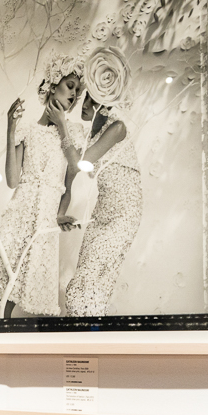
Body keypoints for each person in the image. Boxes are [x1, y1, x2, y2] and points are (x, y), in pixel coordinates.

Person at [0, 65, 78, 319]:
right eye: (70, 86)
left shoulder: (73, 135)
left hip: (44, 221)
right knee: (2, 297)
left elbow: (73, 172)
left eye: (77, 91)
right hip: (19, 216)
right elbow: (12, 181)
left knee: (21, 291)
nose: (74, 94)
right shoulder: (28, 131)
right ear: (53, 86)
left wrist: (62, 126)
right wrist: (11, 130)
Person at [60, 48, 144, 318]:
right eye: (85, 97)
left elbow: (81, 163)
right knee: (90, 277)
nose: (84, 104)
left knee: (91, 275)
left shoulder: (117, 128)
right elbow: (70, 173)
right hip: (102, 211)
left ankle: (87, 330)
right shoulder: (86, 135)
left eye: (92, 100)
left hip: (124, 214)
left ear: (105, 106)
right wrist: (60, 212)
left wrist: (62, 126)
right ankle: (87, 329)